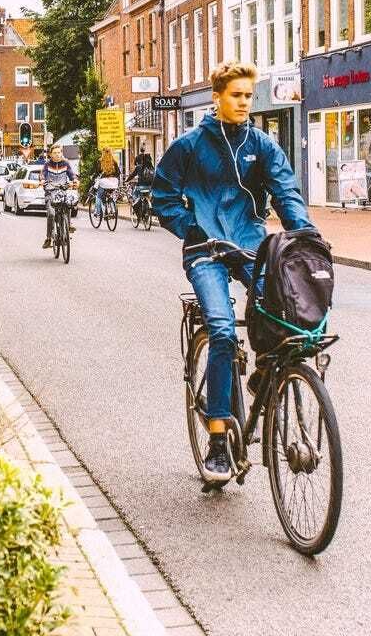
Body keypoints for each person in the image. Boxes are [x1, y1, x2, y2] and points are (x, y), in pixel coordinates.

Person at [152, 62, 313, 484]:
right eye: (236, 95)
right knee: (222, 331)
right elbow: (163, 196)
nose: (244, 103)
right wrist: (192, 229)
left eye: (248, 96)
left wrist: (305, 235)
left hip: (249, 245)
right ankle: (219, 442)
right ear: (218, 97)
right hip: (205, 250)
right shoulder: (189, 145)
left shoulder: (262, 145)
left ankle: (263, 372)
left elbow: (286, 192)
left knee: (283, 310)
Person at [41, 148, 78, 249]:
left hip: (62, 191)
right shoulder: (47, 164)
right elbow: (43, 174)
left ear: (61, 153)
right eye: (55, 153)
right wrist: (43, 180)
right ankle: (48, 238)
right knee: (51, 214)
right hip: (50, 192)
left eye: (59, 152)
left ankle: (68, 226)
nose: (57, 154)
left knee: (68, 204)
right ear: (51, 155)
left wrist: (75, 180)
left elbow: (71, 174)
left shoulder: (66, 163)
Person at [94, 148, 121, 222]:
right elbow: (118, 173)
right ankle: (112, 208)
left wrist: (94, 178)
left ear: (103, 153)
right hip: (113, 182)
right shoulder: (114, 161)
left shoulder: (100, 161)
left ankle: (98, 212)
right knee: (110, 195)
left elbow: (97, 172)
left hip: (104, 182)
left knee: (99, 196)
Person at [131, 151, 156, 218]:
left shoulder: (139, 167)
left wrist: (126, 181)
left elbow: (132, 175)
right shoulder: (152, 168)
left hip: (141, 187)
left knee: (135, 196)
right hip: (150, 187)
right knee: (148, 197)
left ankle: (138, 212)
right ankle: (147, 210)